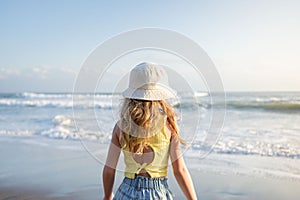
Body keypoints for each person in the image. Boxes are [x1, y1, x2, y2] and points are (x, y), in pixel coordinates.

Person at [102, 62, 197, 200]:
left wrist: (107, 196)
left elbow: (109, 170)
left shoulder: (121, 126)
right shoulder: (169, 124)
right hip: (158, 194)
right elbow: (179, 170)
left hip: (126, 192)